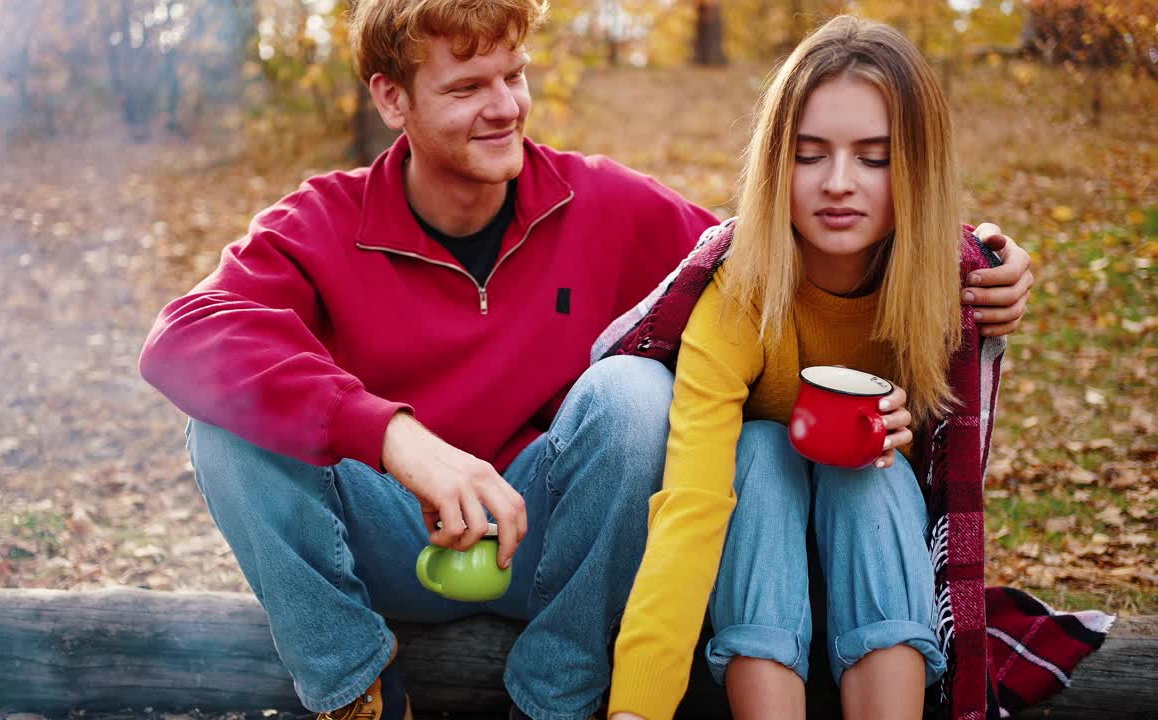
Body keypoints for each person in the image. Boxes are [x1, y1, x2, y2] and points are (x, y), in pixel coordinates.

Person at [138, 3, 1033, 719]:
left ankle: (557, 696)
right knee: (221, 420)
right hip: (386, 533)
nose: (505, 106)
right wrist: (397, 439)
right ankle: (355, 691)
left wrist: (965, 259)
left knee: (635, 393)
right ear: (390, 99)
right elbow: (185, 336)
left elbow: (774, 252)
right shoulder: (326, 219)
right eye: (467, 86)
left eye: (514, 75)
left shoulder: (601, 202)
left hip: (552, 538)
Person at [607, 15, 1016, 720]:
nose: (837, 184)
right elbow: (692, 510)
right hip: (750, 570)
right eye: (809, 154)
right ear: (775, 162)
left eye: (875, 157)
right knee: (761, 449)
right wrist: (636, 709)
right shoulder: (739, 290)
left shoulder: (950, 290)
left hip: (881, 569)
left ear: (916, 164)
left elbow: (940, 474)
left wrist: (896, 430)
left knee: (870, 466)